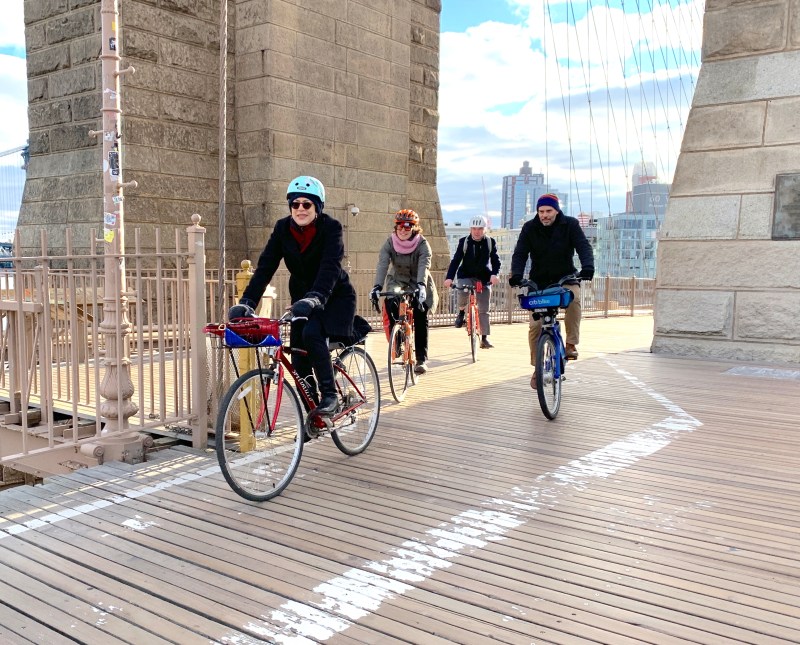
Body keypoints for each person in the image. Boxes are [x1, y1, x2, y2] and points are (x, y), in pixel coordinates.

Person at [228, 175, 356, 415]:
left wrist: (316, 297)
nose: (300, 208)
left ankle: (330, 396)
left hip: (333, 297)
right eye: (295, 204)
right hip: (302, 300)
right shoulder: (282, 228)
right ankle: (312, 413)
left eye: (307, 204)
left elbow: (330, 266)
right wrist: (247, 302)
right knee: (297, 355)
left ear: (317, 207)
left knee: (312, 333)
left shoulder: (331, 227)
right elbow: (265, 267)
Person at [509, 193, 594, 387]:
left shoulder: (570, 225)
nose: (544, 215)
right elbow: (520, 253)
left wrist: (588, 267)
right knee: (535, 326)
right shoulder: (529, 228)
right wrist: (516, 275)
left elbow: (583, 247)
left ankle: (570, 343)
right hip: (539, 282)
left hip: (565, 278)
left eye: (548, 211)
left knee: (573, 299)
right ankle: (537, 367)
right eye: (541, 211)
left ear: (556, 211)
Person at [370, 209, 438, 374]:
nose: (403, 230)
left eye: (407, 227)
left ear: (414, 228)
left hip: (418, 281)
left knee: (420, 315)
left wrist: (421, 285)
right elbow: (383, 264)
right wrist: (377, 286)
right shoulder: (390, 242)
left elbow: (424, 266)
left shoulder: (422, 244)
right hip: (397, 280)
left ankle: (421, 359)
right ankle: (398, 339)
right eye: (399, 226)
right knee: (391, 301)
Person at [443, 215, 501, 348]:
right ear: (470, 229)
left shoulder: (490, 242)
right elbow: (456, 261)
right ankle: (461, 313)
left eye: (480, 229)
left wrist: (494, 275)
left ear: (484, 229)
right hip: (466, 275)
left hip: (484, 277)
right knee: (462, 291)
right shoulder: (464, 242)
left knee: (484, 308)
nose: (477, 231)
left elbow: (496, 261)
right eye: (474, 228)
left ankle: (484, 338)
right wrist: (449, 278)